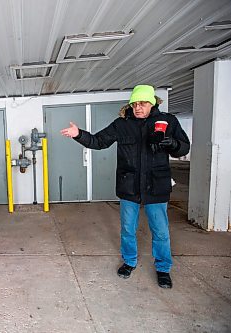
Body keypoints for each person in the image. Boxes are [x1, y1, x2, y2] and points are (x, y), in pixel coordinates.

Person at [60, 85, 190, 289]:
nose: (138, 107)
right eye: (134, 104)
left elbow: (184, 147)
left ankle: (163, 268)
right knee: (128, 229)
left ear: (152, 102)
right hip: (129, 187)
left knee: (161, 231)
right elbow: (98, 141)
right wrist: (79, 134)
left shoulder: (168, 121)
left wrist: (169, 142)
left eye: (143, 103)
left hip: (156, 187)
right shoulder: (122, 125)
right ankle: (129, 261)